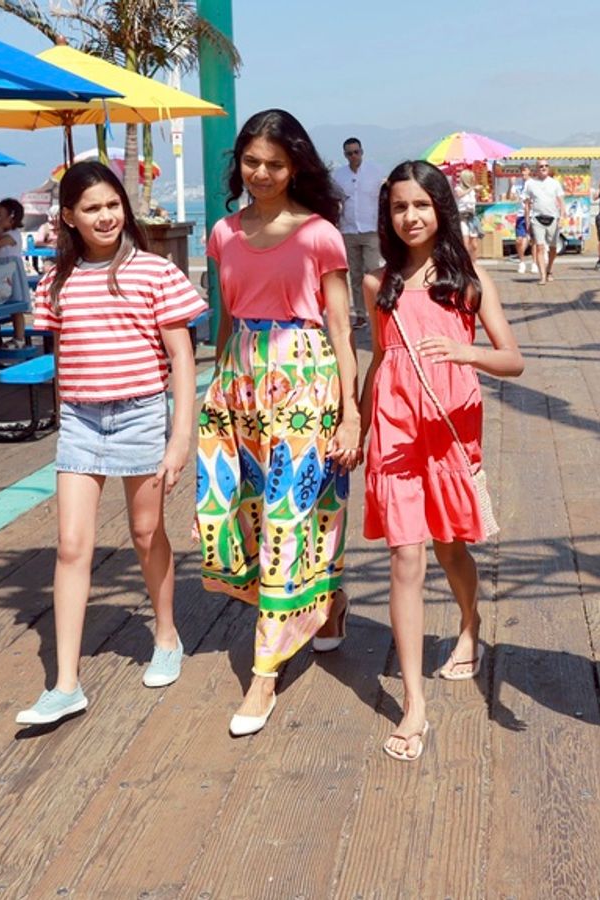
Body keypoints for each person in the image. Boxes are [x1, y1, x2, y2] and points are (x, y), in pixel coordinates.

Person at [14, 161, 206, 726]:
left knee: (146, 534)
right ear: (68, 218)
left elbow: (182, 358)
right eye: (92, 208)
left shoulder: (154, 273)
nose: (105, 216)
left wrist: (180, 437)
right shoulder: (56, 282)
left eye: (113, 205)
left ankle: (166, 635)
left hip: (142, 415)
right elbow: (60, 357)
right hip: (79, 420)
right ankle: (66, 683)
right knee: (71, 545)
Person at [195, 109, 361, 737]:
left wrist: (351, 414)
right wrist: (217, 389)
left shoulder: (319, 234)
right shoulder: (222, 233)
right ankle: (333, 602)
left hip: (304, 379)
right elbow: (228, 317)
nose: (261, 173)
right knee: (244, 513)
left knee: (292, 515)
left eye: (275, 163)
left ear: (296, 167)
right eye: (251, 161)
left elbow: (343, 329)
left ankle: (264, 672)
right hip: (239, 381)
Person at [359, 161, 524, 761]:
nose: (410, 217)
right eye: (400, 207)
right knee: (406, 556)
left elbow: (514, 360)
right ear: (388, 214)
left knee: (452, 545)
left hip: (451, 428)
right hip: (396, 430)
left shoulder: (470, 279)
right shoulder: (379, 285)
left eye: (421, 205)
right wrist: (358, 421)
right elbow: (380, 360)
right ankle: (414, 705)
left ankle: (469, 627)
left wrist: (464, 351)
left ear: (440, 210)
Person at [335, 137, 386, 328]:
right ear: (344, 155)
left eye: (356, 152)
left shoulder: (376, 171)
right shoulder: (338, 176)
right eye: (349, 153)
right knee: (355, 275)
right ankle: (360, 313)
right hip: (348, 230)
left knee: (373, 271)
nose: (353, 156)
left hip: (371, 228)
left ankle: (379, 308)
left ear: (362, 152)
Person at [0, 197, 30, 345]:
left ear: (12, 218)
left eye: (0, 216)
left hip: (10, 270)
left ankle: (19, 337)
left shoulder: (13, 235)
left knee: (15, 305)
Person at [521, 159, 566, 285]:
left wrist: (562, 217)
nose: (544, 168)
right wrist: (527, 221)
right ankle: (542, 276)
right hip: (537, 218)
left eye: (546, 166)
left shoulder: (555, 183)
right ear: (536, 169)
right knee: (540, 247)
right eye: (541, 166)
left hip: (553, 218)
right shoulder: (530, 184)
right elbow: (527, 203)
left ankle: (549, 269)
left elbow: (562, 202)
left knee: (553, 247)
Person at [453, 168, 482, 258]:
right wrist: (472, 188)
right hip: (462, 217)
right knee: (465, 243)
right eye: (471, 178)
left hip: (472, 217)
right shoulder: (458, 188)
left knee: (474, 244)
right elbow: (460, 194)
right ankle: (466, 263)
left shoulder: (472, 190)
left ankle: (474, 262)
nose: (473, 179)